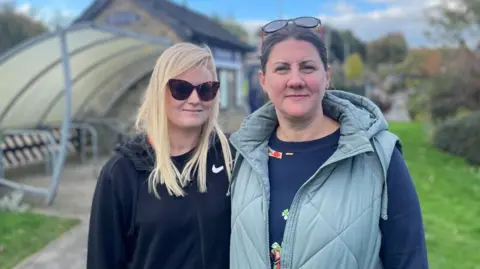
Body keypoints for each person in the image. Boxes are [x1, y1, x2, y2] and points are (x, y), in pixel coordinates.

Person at [228, 17, 428, 269]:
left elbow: (409, 259)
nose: (295, 80)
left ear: (327, 77)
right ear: (263, 80)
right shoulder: (242, 157)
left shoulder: (378, 156)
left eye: (308, 67)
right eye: (282, 69)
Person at [87, 42, 233, 269]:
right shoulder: (122, 173)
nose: (195, 99)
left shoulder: (228, 157)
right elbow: (102, 261)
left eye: (205, 89)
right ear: (159, 91)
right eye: (181, 89)